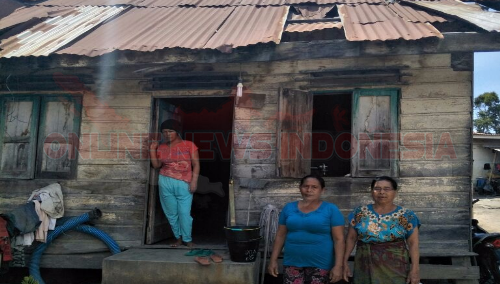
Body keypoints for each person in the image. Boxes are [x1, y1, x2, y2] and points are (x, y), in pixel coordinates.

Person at [343, 176, 420, 284]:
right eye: (377, 189)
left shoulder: (407, 215)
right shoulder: (360, 212)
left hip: (395, 265)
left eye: (386, 189)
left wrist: (415, 269)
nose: (381, 192)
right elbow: (351, 238)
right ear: (371, 191)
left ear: (395, 192)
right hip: (364, 265)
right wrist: (344, 261)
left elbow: (413, 243)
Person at [268, 175, 345, 283]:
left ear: (322, 190)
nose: (309, 190)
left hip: (321, 264)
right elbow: (280, 235)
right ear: (300, 188)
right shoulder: (289, 208)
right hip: (292, 262)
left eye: (314, 187)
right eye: (306, 186)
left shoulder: (331, 209)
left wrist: (338, 266)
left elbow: (339, 240)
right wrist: (273, 260)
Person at [150, 119, 200, 248]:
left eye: (170, 131)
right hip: (165, 181)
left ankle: (187, 239)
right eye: (164, 132)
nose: (167, 134)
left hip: (184, 182)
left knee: (184, 213)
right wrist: (152, 150)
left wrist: (194, 181)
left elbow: (196, 164)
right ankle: (178, 238)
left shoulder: (189, 145)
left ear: (177, 132)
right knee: (171, 213)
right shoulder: (162, 147)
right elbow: (156, 165)